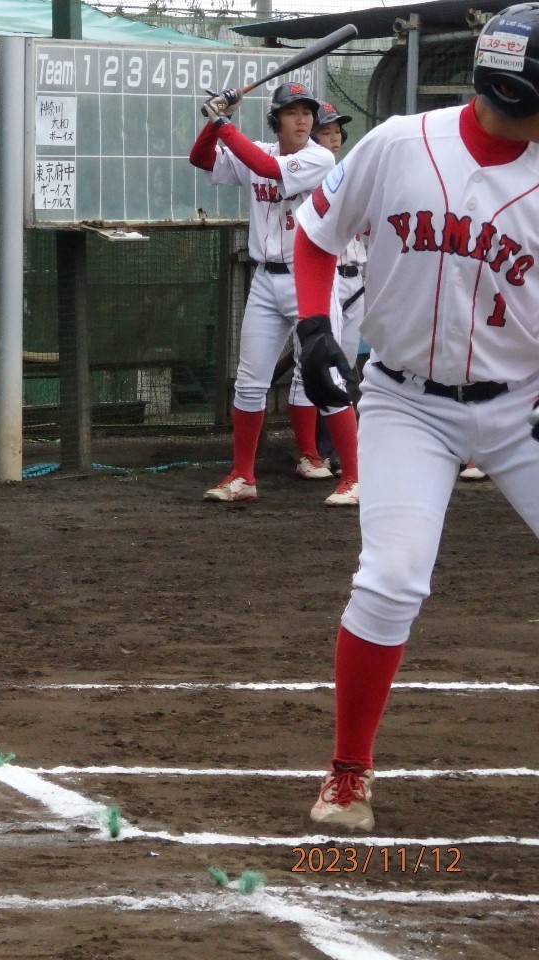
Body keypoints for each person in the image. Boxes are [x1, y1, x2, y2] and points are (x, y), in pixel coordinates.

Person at [294, 4, 539, 831]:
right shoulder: (400, 144)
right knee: (393, 576)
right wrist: (314, 325)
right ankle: (347, 772)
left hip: (521, 406)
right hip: (407, 404)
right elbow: (317, 234)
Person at [189, 82, 360, 507]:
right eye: (292, 112)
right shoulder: (258, 149)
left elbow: (267, 168)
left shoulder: (319, 158)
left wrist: (222, 122)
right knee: (249, 383)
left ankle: (354, 479)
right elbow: (201, 158)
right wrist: (215, 121)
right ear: (276, 119)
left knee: (326, 377)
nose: (302, 120)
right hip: (266, 278)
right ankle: (243, 476)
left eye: (307, 112)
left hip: (310, 277)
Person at [300, 102, 366, 473]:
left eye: (337, 131)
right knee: (325, 368)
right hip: (328, 279)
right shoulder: (311, 177)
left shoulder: (352, 174)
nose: (334, 137)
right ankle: (318, 451)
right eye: (325, 131)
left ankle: (337, 450)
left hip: (356, 279)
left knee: (346, 366)